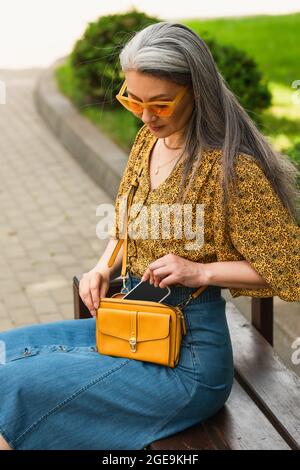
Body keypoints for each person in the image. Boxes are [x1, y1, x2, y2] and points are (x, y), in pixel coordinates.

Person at [0, 21, 299, 451]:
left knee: (15, 389)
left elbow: (292, 269)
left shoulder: (231, 170)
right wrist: (103, 267)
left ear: (197, 91)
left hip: (186, 363)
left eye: (160, 103)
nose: (144, 115)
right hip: (129, 325)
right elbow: (126, 223)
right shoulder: (148, 140)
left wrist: (202, 271)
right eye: (132, 100)